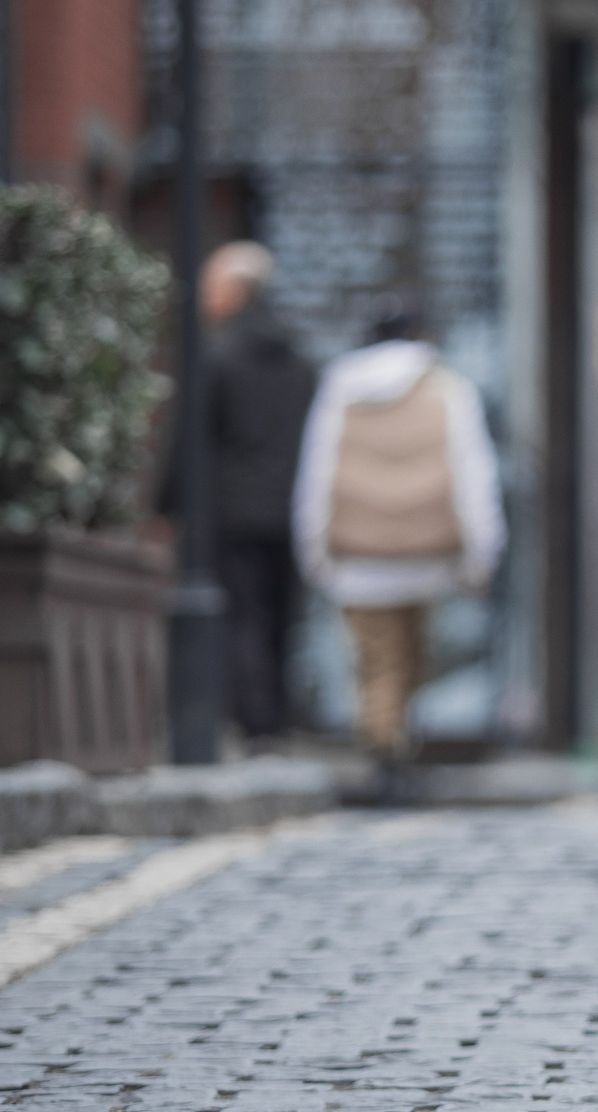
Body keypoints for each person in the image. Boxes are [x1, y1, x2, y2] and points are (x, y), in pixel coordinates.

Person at [293, 296, 503, 780]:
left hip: (357, 558)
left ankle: (384, 750)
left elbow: (317, 472)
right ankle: (394, 747)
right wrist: (482, 554)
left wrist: (313, 549)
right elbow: (474, 475)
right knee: (412, 658)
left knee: (376, 662)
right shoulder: (448, 388)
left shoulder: (341, 387)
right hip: (428, 557)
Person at [199, 242, 316, 749]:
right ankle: (277, 720)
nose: (204, 296)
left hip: (234, 510)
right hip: (291, 508)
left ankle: (255, 721)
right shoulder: (300, 359)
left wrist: (167, 505)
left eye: (211, 285)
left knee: (242, 614)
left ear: (237, 291)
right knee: (280, 616)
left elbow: (193, 438)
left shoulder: (219, 355)